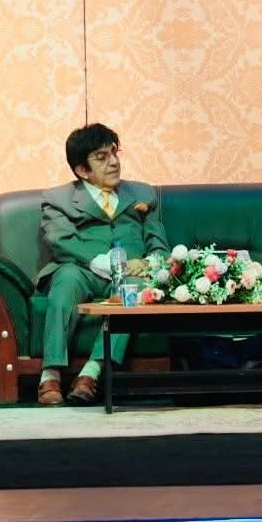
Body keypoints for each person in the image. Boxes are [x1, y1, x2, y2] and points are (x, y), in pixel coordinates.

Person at [36, 123, 170, 406]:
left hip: (131, 273)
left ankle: (91, 373)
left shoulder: (143, 194)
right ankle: (50, 374)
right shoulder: (57, 199)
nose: (114, 162)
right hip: (82, 268)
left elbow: (159, 245)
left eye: (114, 153)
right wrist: (105, 262)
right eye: (102, 157)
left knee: (135, 289)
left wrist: (147, 263)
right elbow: (61, 241)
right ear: (81, 170)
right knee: (66, 279)